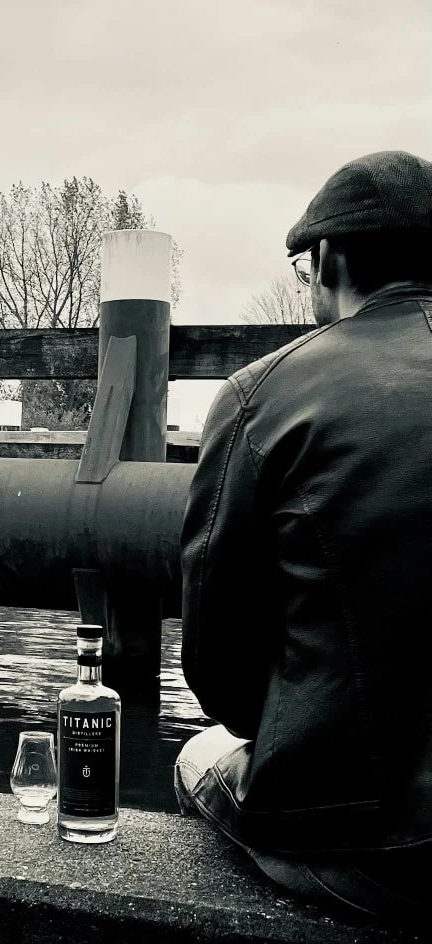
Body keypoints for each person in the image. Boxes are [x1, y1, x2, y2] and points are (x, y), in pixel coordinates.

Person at [175, 150, 432, 922]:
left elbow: (217, 671)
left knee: (196, 755)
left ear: (326, 258)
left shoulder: (265, 395)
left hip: (377, 850)